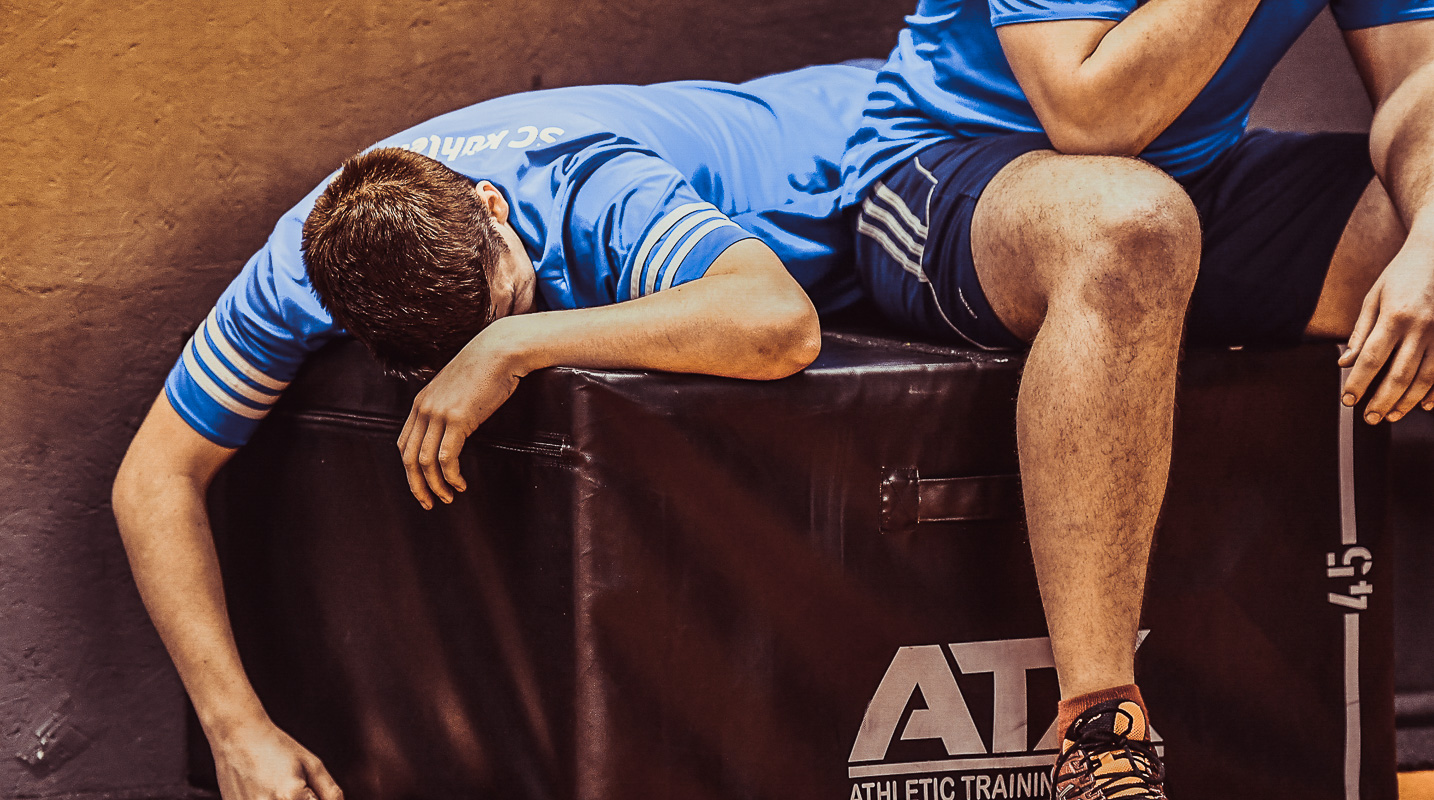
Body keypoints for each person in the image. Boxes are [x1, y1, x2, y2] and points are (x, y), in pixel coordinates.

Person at [111, 63, 875, 800]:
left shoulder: (587, 188)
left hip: (896, 138)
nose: (503, 325)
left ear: (494, 208)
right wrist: (236, 731)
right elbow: (154, 477)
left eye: (508, 298)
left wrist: (511, 346)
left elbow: (780, 325)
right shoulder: (300, 270)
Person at [840, 2, 1434, 797]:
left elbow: (1415, 77)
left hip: (1189, 177)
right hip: (955, 173)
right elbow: (1092, 116)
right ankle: (1102, 743)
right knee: (1132, 229)